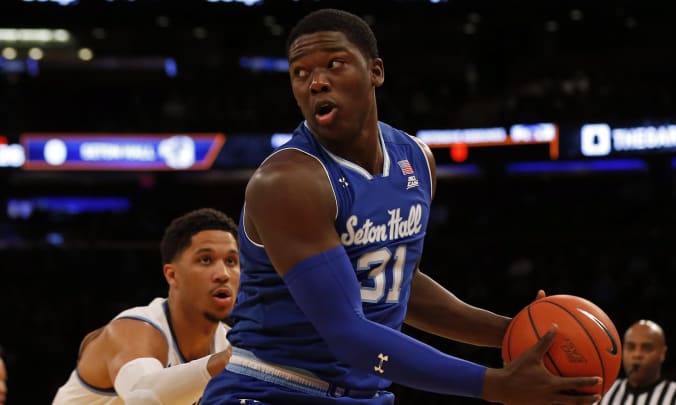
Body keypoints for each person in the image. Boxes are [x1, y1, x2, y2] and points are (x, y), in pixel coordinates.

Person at [202, 8, 603, 405]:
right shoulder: (288, 180)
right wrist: (492, 384)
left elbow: (395, 284)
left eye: (333, 64)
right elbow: (347, 334)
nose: (316, 82)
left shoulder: (416, 159)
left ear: (375, 71)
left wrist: (515, 332)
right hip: (269, 389)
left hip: (363, 393)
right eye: (300, 73)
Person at [52, 208, 241, 405]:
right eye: (205, 260)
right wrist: (226, 361)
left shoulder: (228, 343)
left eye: (231, 261)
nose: (223, 274)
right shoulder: (131, 331)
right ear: (172, 275)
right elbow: (142, 397)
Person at [595, 319, 676, 405]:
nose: (637, 354)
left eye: (647, 348)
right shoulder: (604, 394)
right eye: (631, 347)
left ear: (662, 353)